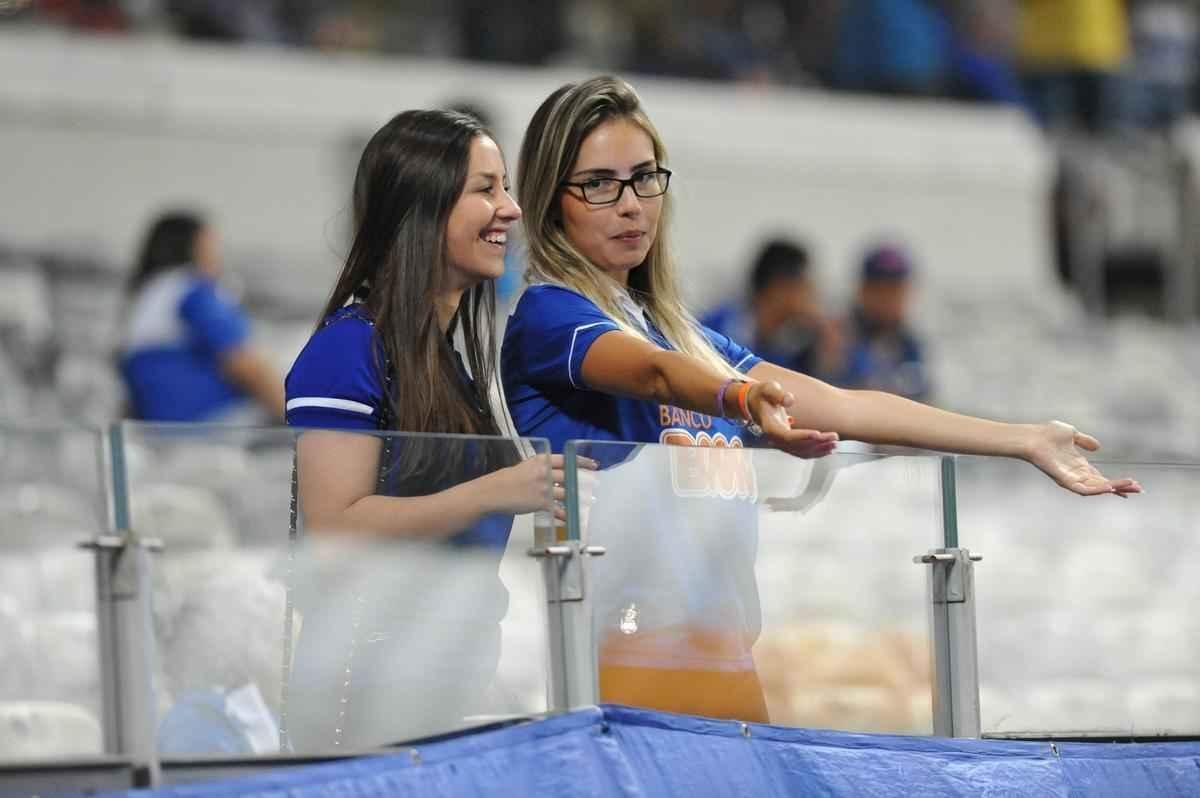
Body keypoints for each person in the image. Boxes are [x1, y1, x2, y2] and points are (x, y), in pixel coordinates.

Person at [501, 75, 1140, 723]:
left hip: (729, 683)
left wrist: (1023, 439)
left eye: (644, 178)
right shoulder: (550, 314)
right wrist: (742, 397)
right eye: (599, 185)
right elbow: (655, 376)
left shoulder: (687, 336)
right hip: (615, 681)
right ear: (553, 201)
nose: (632, 204)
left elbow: (850, 406)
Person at [282, 109, 566, 751]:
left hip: (435, 692)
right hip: (359, 710)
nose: (511, 209)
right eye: (486, 189)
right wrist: (495, 491)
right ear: (424, 208)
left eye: (507, 188)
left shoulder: (443, 358)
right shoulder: (348, 350)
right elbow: (334, 530)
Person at [119, 211, 285, 423]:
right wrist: (299, 422)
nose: (220, 254)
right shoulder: (191, 291)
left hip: (162, 425)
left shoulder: (145, 296)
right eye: (213, 244)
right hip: (211, 421)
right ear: (195, 247)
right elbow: (244, 364)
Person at [702, 237, 842, 380]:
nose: (813, 296)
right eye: (805, 286)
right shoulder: (714, 328)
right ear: (780, 288)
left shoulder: (796, 344)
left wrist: (827, 352)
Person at [833, 242, 931, 401]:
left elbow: (923, 393)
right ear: (862, 291)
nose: (887, 300)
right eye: (879, 290)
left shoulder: (910, 343)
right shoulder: (835, 337)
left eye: (895, 291)